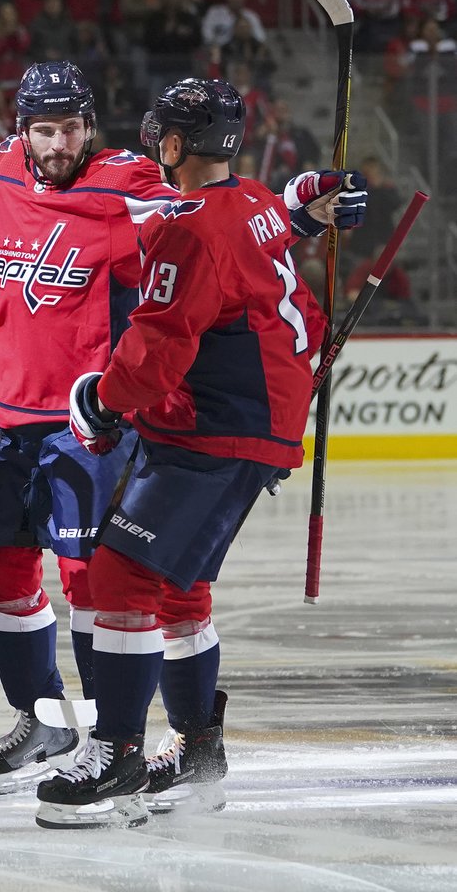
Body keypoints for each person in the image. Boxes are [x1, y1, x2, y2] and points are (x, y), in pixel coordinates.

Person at [35, 78, 338, 829]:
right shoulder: (261, 203)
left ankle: (117, 754)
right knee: (178, 590)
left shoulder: (191, 227)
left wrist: (102, 401)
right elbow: (294, 303)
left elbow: (158, 353)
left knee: (120, 578)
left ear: (171, 144)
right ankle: (198, 749)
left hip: (215, 431)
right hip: (249, 424)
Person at [0, 61, 177, 797]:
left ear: (91, 124)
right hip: (2, 413)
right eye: (45, 129)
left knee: (91, 584)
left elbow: (204, 216)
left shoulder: (128, 181)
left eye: (72, 127)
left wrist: (294, 214)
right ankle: (45, 718)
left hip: (86, 426)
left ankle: (110, 739)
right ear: (22, 129)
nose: (59, 143)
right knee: (0, 572)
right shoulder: (0, 168)